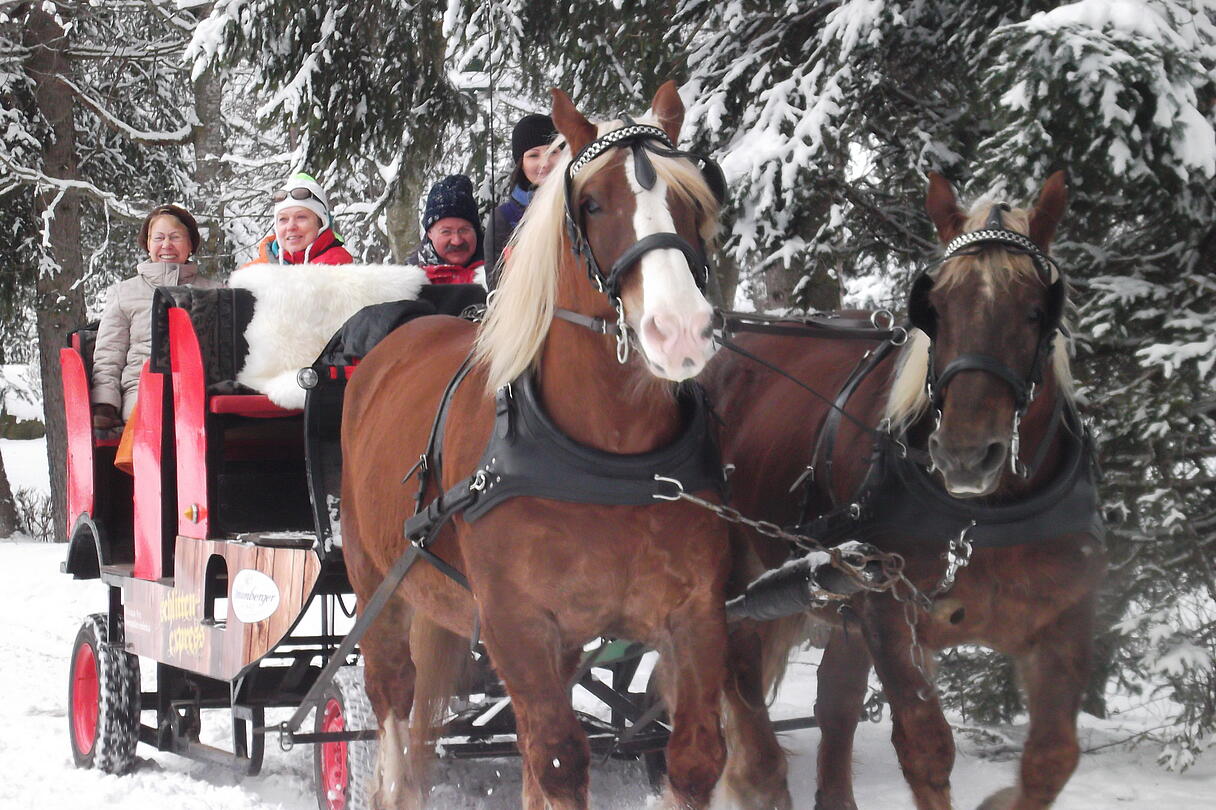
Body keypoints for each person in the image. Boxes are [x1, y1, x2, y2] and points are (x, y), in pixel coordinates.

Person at [91, 205, 222, 455]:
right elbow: (109, 354)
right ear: (148, 244)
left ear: (191, 244)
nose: (167, 245)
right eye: (159, 238)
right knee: (160, 422)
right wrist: (105, 403)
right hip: (142, 390)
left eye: (175, 237)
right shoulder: (124, 293)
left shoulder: (215, 291)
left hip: (200, 391)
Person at [484, 113, 558, 287]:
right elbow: (495, 285)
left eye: (552, 152)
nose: (544, 163)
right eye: (534, 155)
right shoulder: (504, 217)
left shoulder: (582, 207)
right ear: (521, 163)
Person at [247, 172, 354, 266]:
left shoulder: (339, 272)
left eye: (301, 217)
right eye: (283, 219)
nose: (290, 227)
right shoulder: (251, 274)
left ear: (321, 223)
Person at [407, 174, 485, 285]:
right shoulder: (409, 281)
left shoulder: (498, 270)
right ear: (429, 233)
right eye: (446, 232)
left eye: (464, 230)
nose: (457, 241)